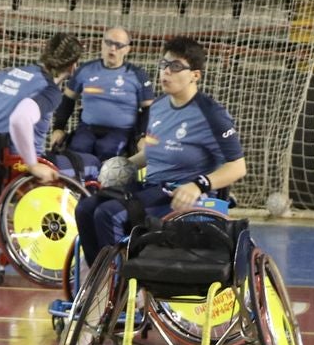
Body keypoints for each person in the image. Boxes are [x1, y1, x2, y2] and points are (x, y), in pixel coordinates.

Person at [74, 36, 247, 266]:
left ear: (195, 75)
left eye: (175, 67)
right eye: (164, 65)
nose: (166, 72)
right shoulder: (158, 107)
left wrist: (199, 184)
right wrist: (125, 164)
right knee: (85, 208)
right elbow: (154, 152)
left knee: (109, 214)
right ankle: (100, 279)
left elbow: (238, 167)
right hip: (152, 187)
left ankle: (118, 285)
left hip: (182, 196)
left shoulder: (211, 114)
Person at [0, 33, 87, 183]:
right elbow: (19, 119)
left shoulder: (8, 74)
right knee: (90, 164)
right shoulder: (49, 90)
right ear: (73, 66)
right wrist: (32, 165)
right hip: (16, 167)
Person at [48, 27, 154, 161]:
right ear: (102, 44)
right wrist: (58, 128)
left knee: (107, 151)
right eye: (109, 43)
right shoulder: (85, 70)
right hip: (87, 128)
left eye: (119, 45)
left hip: (121, 131)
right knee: (77, 152)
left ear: (127, 49)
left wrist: (143, 137)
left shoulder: (137, 75)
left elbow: (149, 109)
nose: (113, 48)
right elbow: (68, 100)